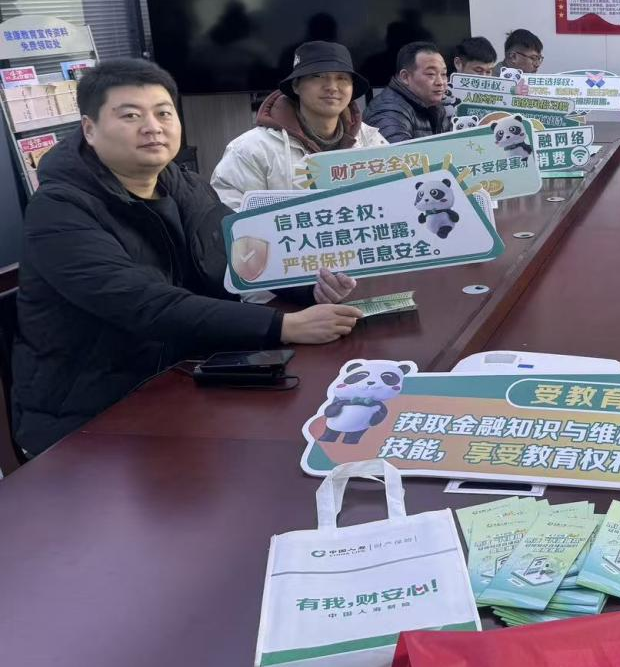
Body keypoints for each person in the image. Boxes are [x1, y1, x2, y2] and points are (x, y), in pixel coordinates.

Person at [11, 59, 363, 455]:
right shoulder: (59, 210)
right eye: (130, 115)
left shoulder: (183, 184)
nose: (153, 127)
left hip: (184, 380)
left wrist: (311, 288)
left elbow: (244, 251)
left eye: (163, 113)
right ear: (89, 129)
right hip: (90, 418)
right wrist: (282, 325)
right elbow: (145, 304)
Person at [211, 40, 387, 209]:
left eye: (342, 78)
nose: (332, 87)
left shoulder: (371, 142)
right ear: (296, 85)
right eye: (318, 76)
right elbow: (229, 212)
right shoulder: (251, 149)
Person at [364, 41, 451, 143]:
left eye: (443, 74)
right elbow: (400, 152)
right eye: (431, 74)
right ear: (405, 77)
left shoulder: (434, 105)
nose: (440, 82)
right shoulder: (387, 111)